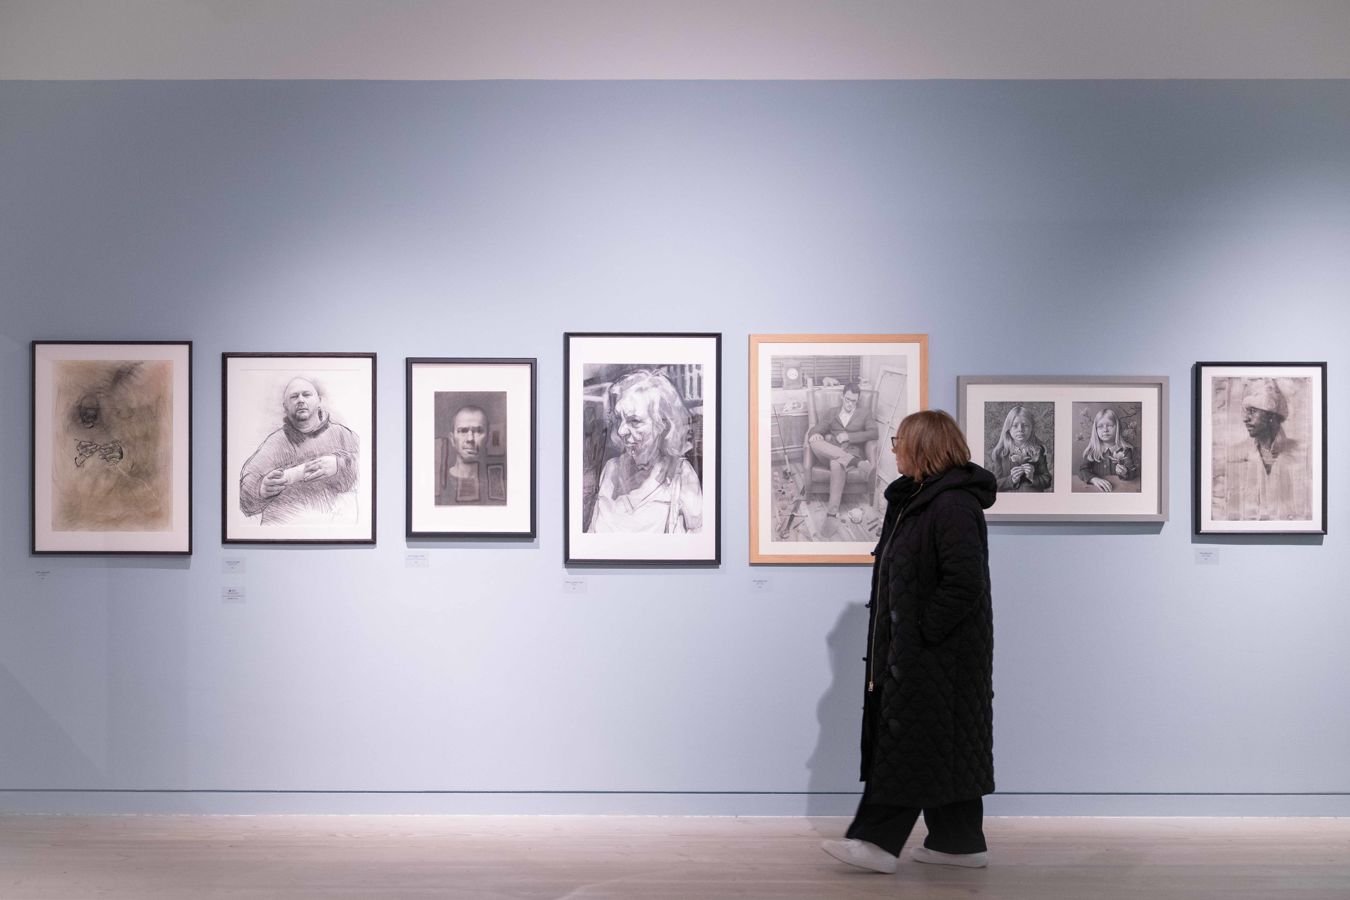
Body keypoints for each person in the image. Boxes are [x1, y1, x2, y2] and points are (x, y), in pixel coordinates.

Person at [822, 409, 995, 875]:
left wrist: (921, 634)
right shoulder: (919, 500)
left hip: (938, 656)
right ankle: (958, 842)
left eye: (900, 439)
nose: (893, 446)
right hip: (927, 653)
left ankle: (876, 842)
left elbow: (964, 582)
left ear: (922, 446)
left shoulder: (951, 506)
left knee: (908, 742)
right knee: (946, 745)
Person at [587, 370, 702, 534]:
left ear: (663, 425)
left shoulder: (681, 475)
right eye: (619, 418)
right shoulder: (611, 469)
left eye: (635, 421)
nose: (621, 431)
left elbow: (700, 546)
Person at [239, 377, 359, 525]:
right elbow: (245, 493)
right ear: (285, 406)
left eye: (306, 395)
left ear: (319, 400)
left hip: (333, 526)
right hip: (282, 529)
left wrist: (340, 464)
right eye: (294, 397)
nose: (300, 400)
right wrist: (260, 489)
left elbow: (370, 471)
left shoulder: (342, 435)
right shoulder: (275, 443)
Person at [1215, 379, 1311, 521]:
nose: (1245, 419)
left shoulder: (1300, 457)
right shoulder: (1234, 458)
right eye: (1246, 412)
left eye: (1253, 412)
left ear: (1271, 416)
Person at [806, 382, 878, 525]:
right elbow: (816, 428)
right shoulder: (832, 412)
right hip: (830, 451)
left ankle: (832, 513)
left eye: (854, 401)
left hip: (850, 451)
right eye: (847, 399)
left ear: (857, 400)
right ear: (842, 396)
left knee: (837, 463)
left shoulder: (864, 413)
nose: (850, 404)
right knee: (814, 442)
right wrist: (815, 434)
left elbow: (874, 433)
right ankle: (857, 463)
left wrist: (849, 437)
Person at [437, 405, 495, 504]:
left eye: (478, 431)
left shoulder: (497, 484)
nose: (470, 439)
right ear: (452, 439)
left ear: (488, 439)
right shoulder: (437, 484)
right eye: (463, 431)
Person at [987, 405, 1051, 492]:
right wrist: (1011, 480)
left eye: (1025, 425)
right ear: (1008, 428)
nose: (1020, 429)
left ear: (1032, 428)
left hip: (1034, 499)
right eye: (1015, 425)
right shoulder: (1001, 452)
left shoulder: (1038, 450)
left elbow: (1047, 480)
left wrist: (1032, 477)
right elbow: (994, 484)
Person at [1078, 407, 1138, 492]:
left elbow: (1133, 472)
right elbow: (1082, 470)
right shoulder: (1092, 451)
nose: (1105, 430)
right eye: (1100, 426)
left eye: (1109, 425)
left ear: (1117, 427)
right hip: (1097, 491)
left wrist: (1125, 472)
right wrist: (1094, 479)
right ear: (1096, 430)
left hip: (1121, 491)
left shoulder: (1126, 450)